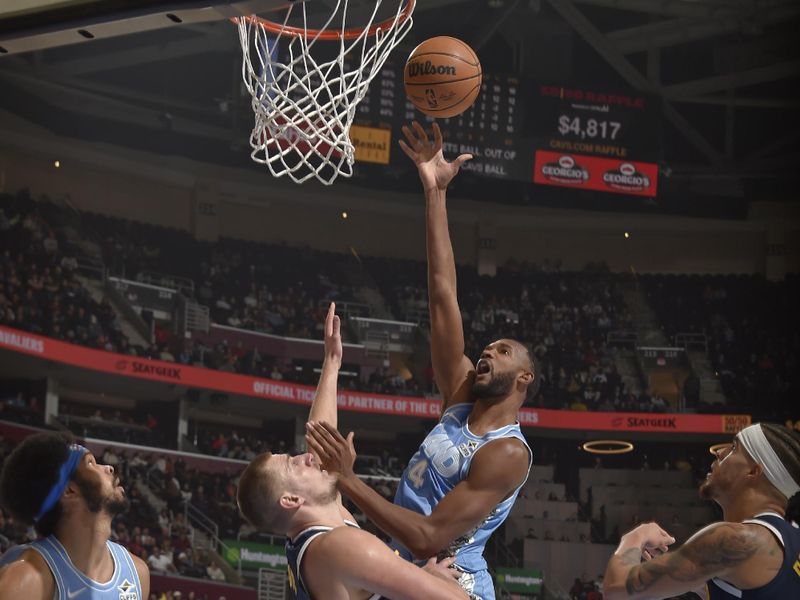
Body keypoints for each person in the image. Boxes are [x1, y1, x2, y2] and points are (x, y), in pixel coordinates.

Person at [306, 122, 536, 600]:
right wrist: (435, 192)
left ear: (524, 379)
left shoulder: (507, 453)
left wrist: (347, 479)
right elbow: (442, 295)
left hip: (454, 583)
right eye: (489, 346)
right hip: (410, 571)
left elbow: (429, 536)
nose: (489, 351)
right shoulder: (460, 393)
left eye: (504, 351)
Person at [236, 303, 466, 600]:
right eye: (294, 465)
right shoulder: (342, 547)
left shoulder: (316, 529)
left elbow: (319, 446)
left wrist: (331, 363)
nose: (306, 457)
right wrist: (429, 582)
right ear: (292, 499)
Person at [603, 422, 800, 599]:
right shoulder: (790, 540)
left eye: (733, 448)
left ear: (753, 471)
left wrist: (636, 536)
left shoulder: (735, 540)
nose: (719, 452)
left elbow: (616, 589)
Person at [0, 433, 150, 599]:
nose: (109, 467)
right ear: (70, 491)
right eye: (91, 463)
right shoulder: (26, 579)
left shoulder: (138, 574)